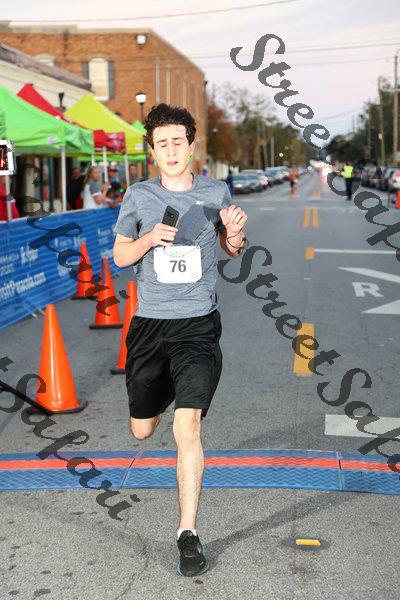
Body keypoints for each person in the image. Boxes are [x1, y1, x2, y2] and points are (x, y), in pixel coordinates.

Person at [113, 103, 247, 578]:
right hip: (150, 326)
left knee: (186, 428)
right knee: (142, 431)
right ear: (153, 152)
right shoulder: (138, 196)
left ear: (192, 146)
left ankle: (187, 532)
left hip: (197, 325)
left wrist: (235, 235)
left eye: (178, 142)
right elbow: (120, 256)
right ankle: (169, 388)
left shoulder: (215, 192)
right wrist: (149, 238)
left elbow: (231, 249)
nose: (170, 151)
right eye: (161, 144)